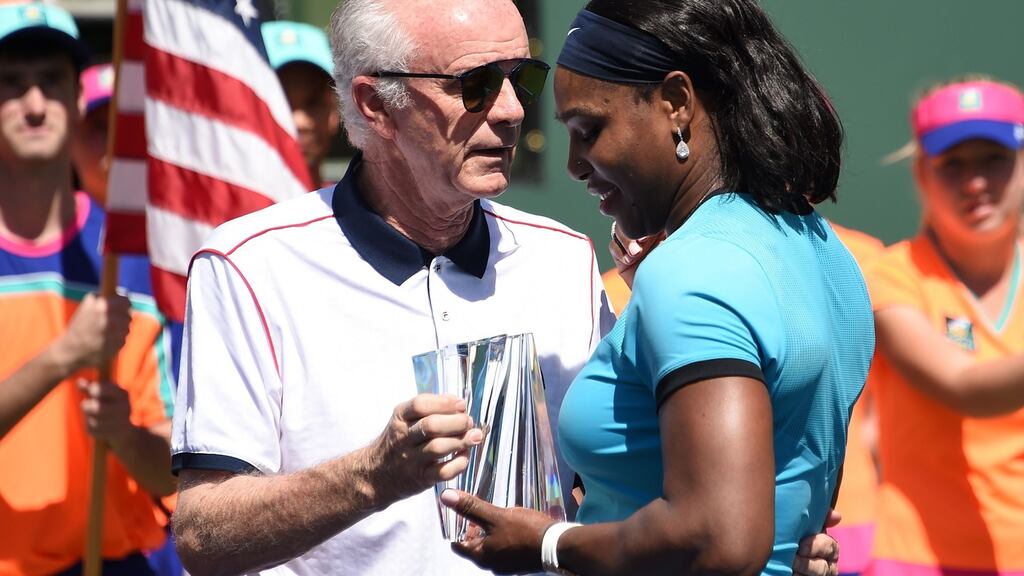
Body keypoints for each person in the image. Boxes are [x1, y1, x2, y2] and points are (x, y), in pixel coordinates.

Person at [170, 2, 843, 575]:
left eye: (520, 77)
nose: (514, 110)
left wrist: (777, 532)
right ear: (377, 105)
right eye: (475, 85)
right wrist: (372, 476)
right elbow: (203, 535)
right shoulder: (250, 266)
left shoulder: (562, 257)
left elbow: (622, 479)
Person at [440, 2, 874, 576]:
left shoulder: (694, 268)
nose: (574, 164)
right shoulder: (823, 249)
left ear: (675, 102)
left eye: (590, 129)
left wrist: (548, 543)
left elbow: (720, 538)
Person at [0, 4, 176, 575]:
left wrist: (124, 435)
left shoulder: (130, 262)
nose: (33, 105)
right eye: (10, 85)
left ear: (79, 101)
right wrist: (62, 360)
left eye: (51, 83)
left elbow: (176, 470)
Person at [864, 78, 1024, 576]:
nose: (975, 182)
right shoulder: (892, 276)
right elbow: (964, 387)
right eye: (953, 164)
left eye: (994, 159)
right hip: (915, 561)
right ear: (921, 175)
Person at [261, 20, 341, 187]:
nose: (300, 122)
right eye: (280, 102)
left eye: (313, 102)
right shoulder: (218, 211)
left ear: (334, 112)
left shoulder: (357, 210)